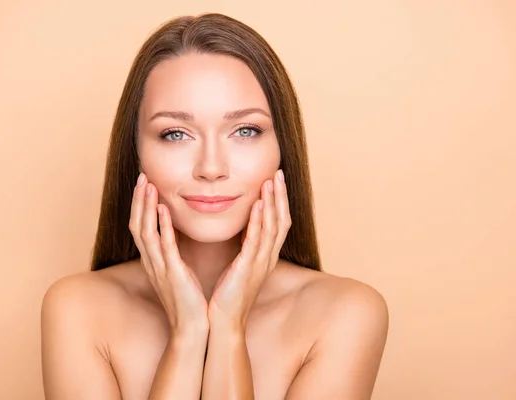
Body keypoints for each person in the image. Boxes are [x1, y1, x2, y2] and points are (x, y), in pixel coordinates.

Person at [41, 12, 389, 400]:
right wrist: (188, 334)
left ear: (281, 150)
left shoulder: (346, 314)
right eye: (175, 133)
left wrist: (228, 327)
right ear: (136, 152)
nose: (211, 168)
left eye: (245, 131)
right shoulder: (77, 309)